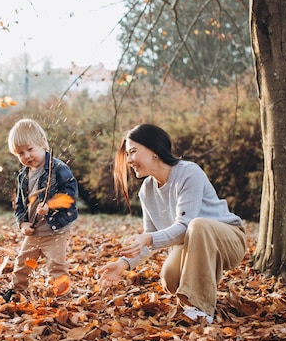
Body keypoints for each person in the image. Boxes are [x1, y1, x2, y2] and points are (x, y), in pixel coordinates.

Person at [97, 124, 246, 323]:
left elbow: (185, 226)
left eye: (133, 152)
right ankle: (196, 294)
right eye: (127, 154)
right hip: (191, 244)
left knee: (198, 225)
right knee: (170, 278)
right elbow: (150, 238)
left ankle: (201, 309)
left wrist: (148, 238)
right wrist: (123, 264)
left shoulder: (188, 173)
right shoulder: (147, 190)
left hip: (228, 239)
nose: (129, 160)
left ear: (154, 151)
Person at [2, 119, 79, 302]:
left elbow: (70, 194)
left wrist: (52, 204)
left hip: (55, 231)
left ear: (43, 143)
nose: (27, 156)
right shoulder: (23, 176)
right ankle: (17, 293)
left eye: (30, 149)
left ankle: (64, 299)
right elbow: (19, 204)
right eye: (20, 153)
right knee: (22, 264)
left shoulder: (58, 168)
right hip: (34, 232)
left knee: (56, 266)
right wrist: (22, 223)